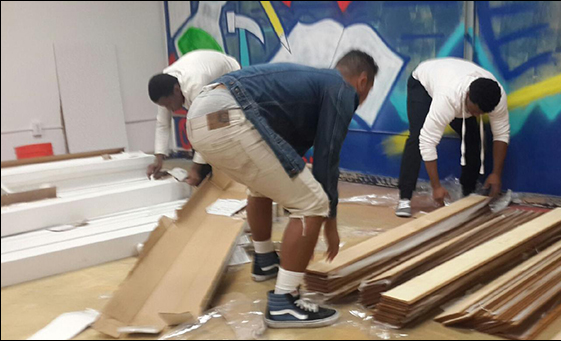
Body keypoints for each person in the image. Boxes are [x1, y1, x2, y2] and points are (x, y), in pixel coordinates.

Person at [185, 50, 377, 328]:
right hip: (230, 114)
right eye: (367, 90)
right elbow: (327, 156)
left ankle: (264, 260)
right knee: (313, 203)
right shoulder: (341, 89)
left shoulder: (310, 85)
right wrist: (328, 221)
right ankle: (284, 302)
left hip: (202, 116)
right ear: (362, 81)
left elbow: (285, 160)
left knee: (262, 186)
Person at [395, 58, 510, 217]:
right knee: (417, 136)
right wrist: (436, 187)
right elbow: (427, 141)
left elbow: (501, 133)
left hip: (452, 84)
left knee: (473, 136)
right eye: (475, 111)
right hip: (422, 84)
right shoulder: (448, 98)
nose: (476, 115)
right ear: (468, 95)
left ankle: (468, 193)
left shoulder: (496, 96)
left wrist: (496, 174)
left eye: (481, 114)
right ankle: (405, 197)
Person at [147, 50, 240, 185]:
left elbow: (208, 130)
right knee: (199, 137)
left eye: (168, 104)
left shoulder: (196, 86)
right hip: (204, 71)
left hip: (230, 73)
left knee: (220, 125)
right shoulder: (164, 87)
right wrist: (159, 159)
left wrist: (196, 168)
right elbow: (162, 124)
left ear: (176, 91)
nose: (169, 109)